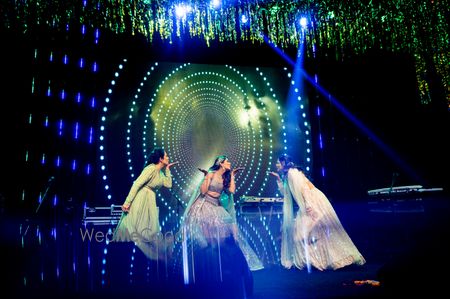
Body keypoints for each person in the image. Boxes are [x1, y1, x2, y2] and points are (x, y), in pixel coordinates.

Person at [180, 155, 262, 298]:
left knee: (228, 230)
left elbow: (231, 191)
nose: (230, 163)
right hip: (205, 205)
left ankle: (225, 264)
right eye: (227, 161)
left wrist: (233, 176)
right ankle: (210, 268)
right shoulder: (211, 174)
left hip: (216, 206)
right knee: (210, 237)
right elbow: (203, 192)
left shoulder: (226, 177)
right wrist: (206, 176)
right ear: (221, 163)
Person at [269, 154, 366, 271]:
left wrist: (309, 206)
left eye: (278, 162)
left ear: (284, 163)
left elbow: (304, 189)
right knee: (310, 233)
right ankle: (316, 260)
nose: (276, 165)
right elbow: (286, 193)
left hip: (312, 201)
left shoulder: (292, 173)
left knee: (308, 232)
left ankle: (326, 259)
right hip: (308, 203)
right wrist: (278, 179)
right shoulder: (288, 175)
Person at [112, 147, 178, 260]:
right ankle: (150, 256)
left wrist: (167, 169)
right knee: (137, 228)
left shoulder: (160, 173)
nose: (168, 157)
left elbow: (168, 184)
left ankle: (158, 255)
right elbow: (136, 184)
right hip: (141, 198)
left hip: (150, 200)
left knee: (151, 229)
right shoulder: (151, 169)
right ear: (160, 158)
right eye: (166, 156)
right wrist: (127, 202)